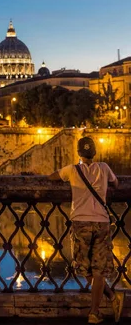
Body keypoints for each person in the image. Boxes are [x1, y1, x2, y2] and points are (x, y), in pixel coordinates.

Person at [48, 136, 124, 324]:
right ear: (95, 153)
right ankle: (98, 309)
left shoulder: (72, 170)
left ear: (79, 153)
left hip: (80, 223)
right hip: (101, 222)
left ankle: (105, 302)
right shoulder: (104, 168)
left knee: (82, 267)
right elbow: (116, 183)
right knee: (99, 270)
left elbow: (52, 176)